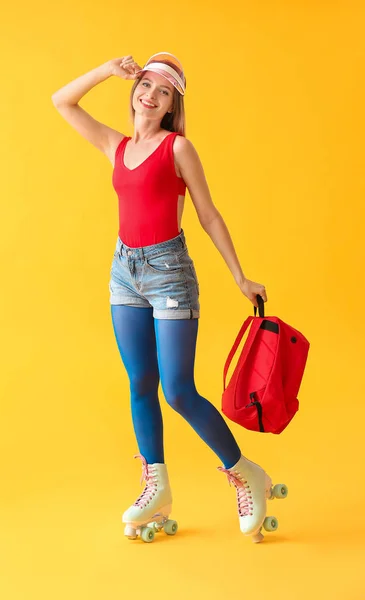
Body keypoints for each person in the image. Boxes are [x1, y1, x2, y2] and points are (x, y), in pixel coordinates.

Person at [51, 51, 272, 543]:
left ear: (172, 105)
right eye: (145, 85)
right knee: (140, 382)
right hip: (123, 274)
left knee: (177, 390)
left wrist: (240, 277)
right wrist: (108, 70)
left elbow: (208, 214)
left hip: (169, 273)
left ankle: (245, 472)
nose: (150, 95)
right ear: (133, 91)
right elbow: (61, 101)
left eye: (163, 91)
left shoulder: (177, 148)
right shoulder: (115, 144)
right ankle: (157, 486)